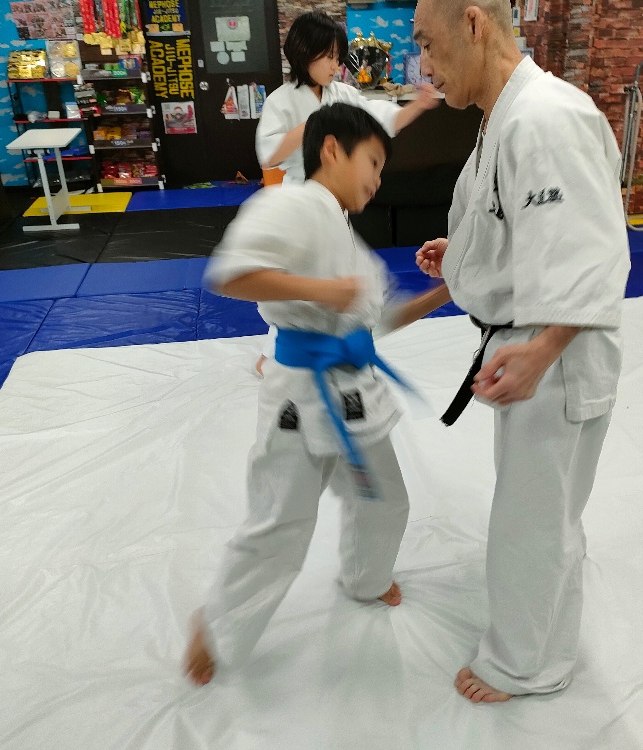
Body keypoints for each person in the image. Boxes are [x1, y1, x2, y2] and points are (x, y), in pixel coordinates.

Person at [184, 103, 450, 686]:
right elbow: (231, 273)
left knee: (384, 500)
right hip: (300, 398)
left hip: (354, 393)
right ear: (332, 150)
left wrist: (446, 291)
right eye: (372, 162)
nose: (377, 179)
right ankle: (217, 623)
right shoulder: (292, 204)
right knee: (281, 523)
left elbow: (377, 322)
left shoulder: (345, 236)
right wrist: (323, 292)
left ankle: (365, 579)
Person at [411, 0, 631, 703]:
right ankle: (543, 645)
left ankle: (526, 665)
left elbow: (594, 250)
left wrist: (542, 349)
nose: (424, 65)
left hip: (557, 349)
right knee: (542, 511)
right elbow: (521, 220)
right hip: (531, 339)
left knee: (533, 521)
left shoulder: (545, 118)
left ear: (473, 24)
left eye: (428, 44)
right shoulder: (506, 117)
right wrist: (465, 254)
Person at [252, 10, 440, 377]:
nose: (335, 66)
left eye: (338, 57)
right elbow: (268, 154)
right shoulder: (281, 100)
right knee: (306, 274)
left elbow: (381, 121)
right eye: (328, 56)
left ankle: (338, 335)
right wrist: (313, 125)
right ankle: (276, 349)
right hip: (301, 198)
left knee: (337, 272)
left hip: (336, 199)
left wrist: (417, 105)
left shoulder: (342, 95)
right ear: (303, 54)